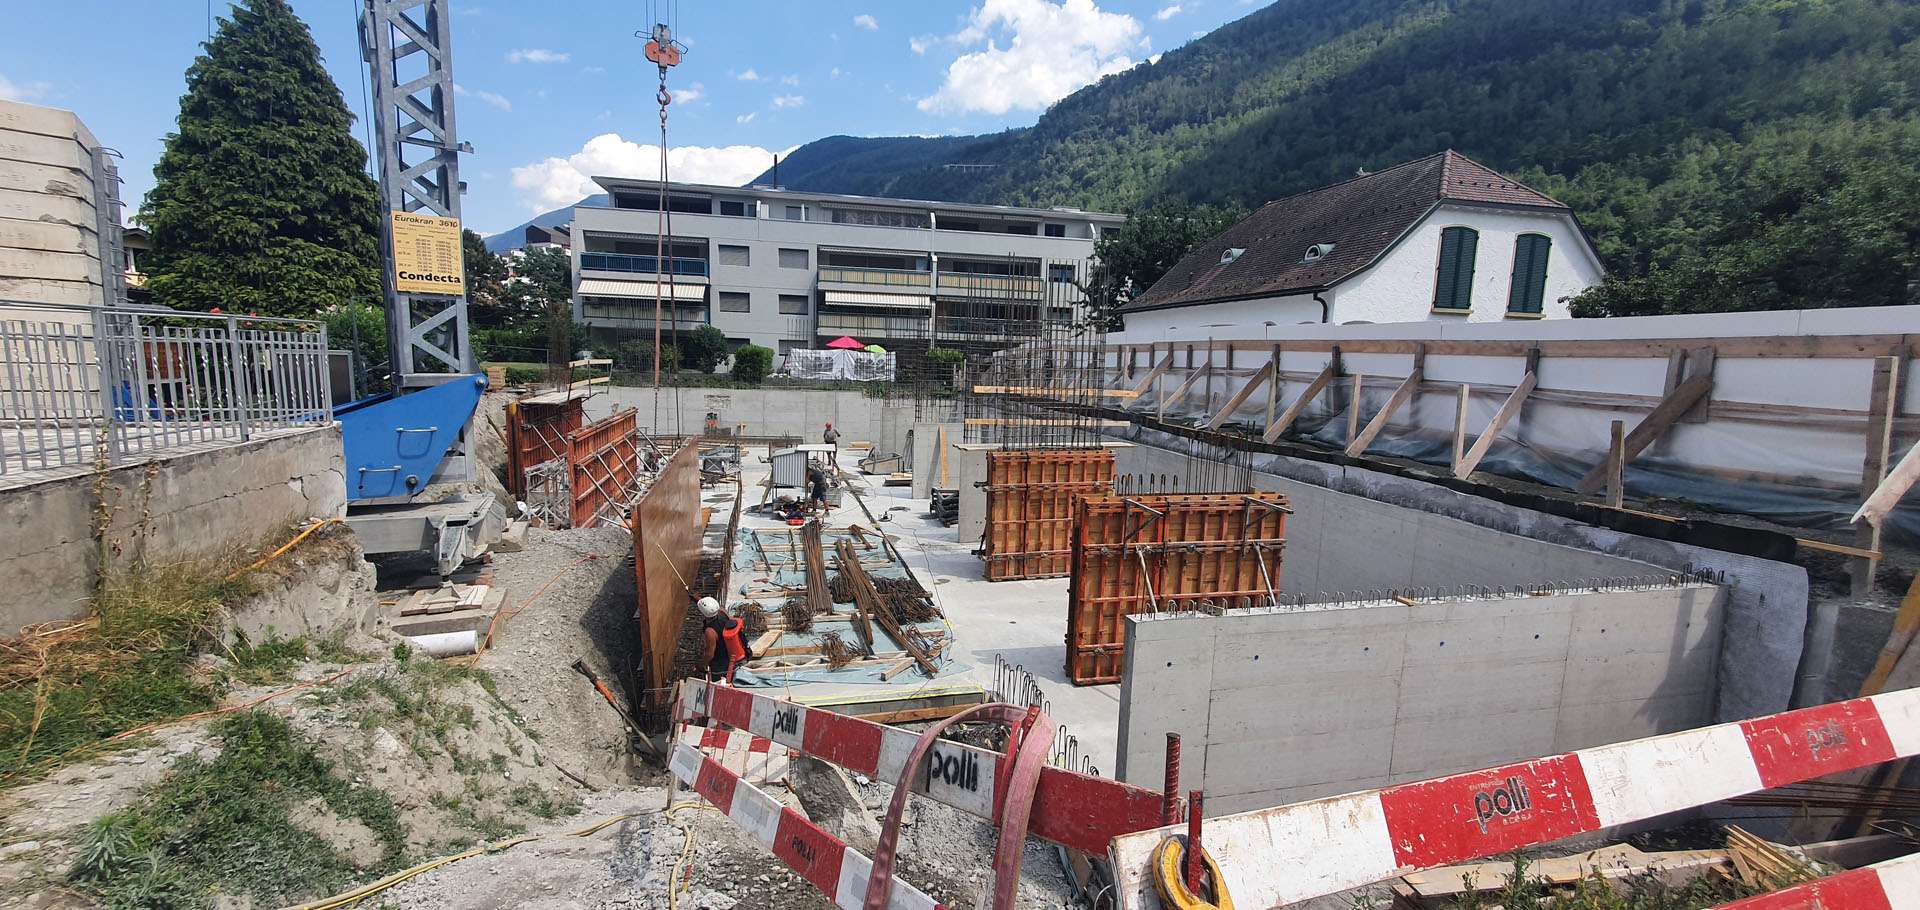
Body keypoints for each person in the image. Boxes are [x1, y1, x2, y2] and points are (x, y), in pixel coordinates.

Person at [700, 596, 749, 683]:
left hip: (722, 665)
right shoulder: (723, 612)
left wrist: (702, 665)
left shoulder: (710, 631)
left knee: (719, 682)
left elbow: (709, 654)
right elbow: (710, 608)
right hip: (734, 656)